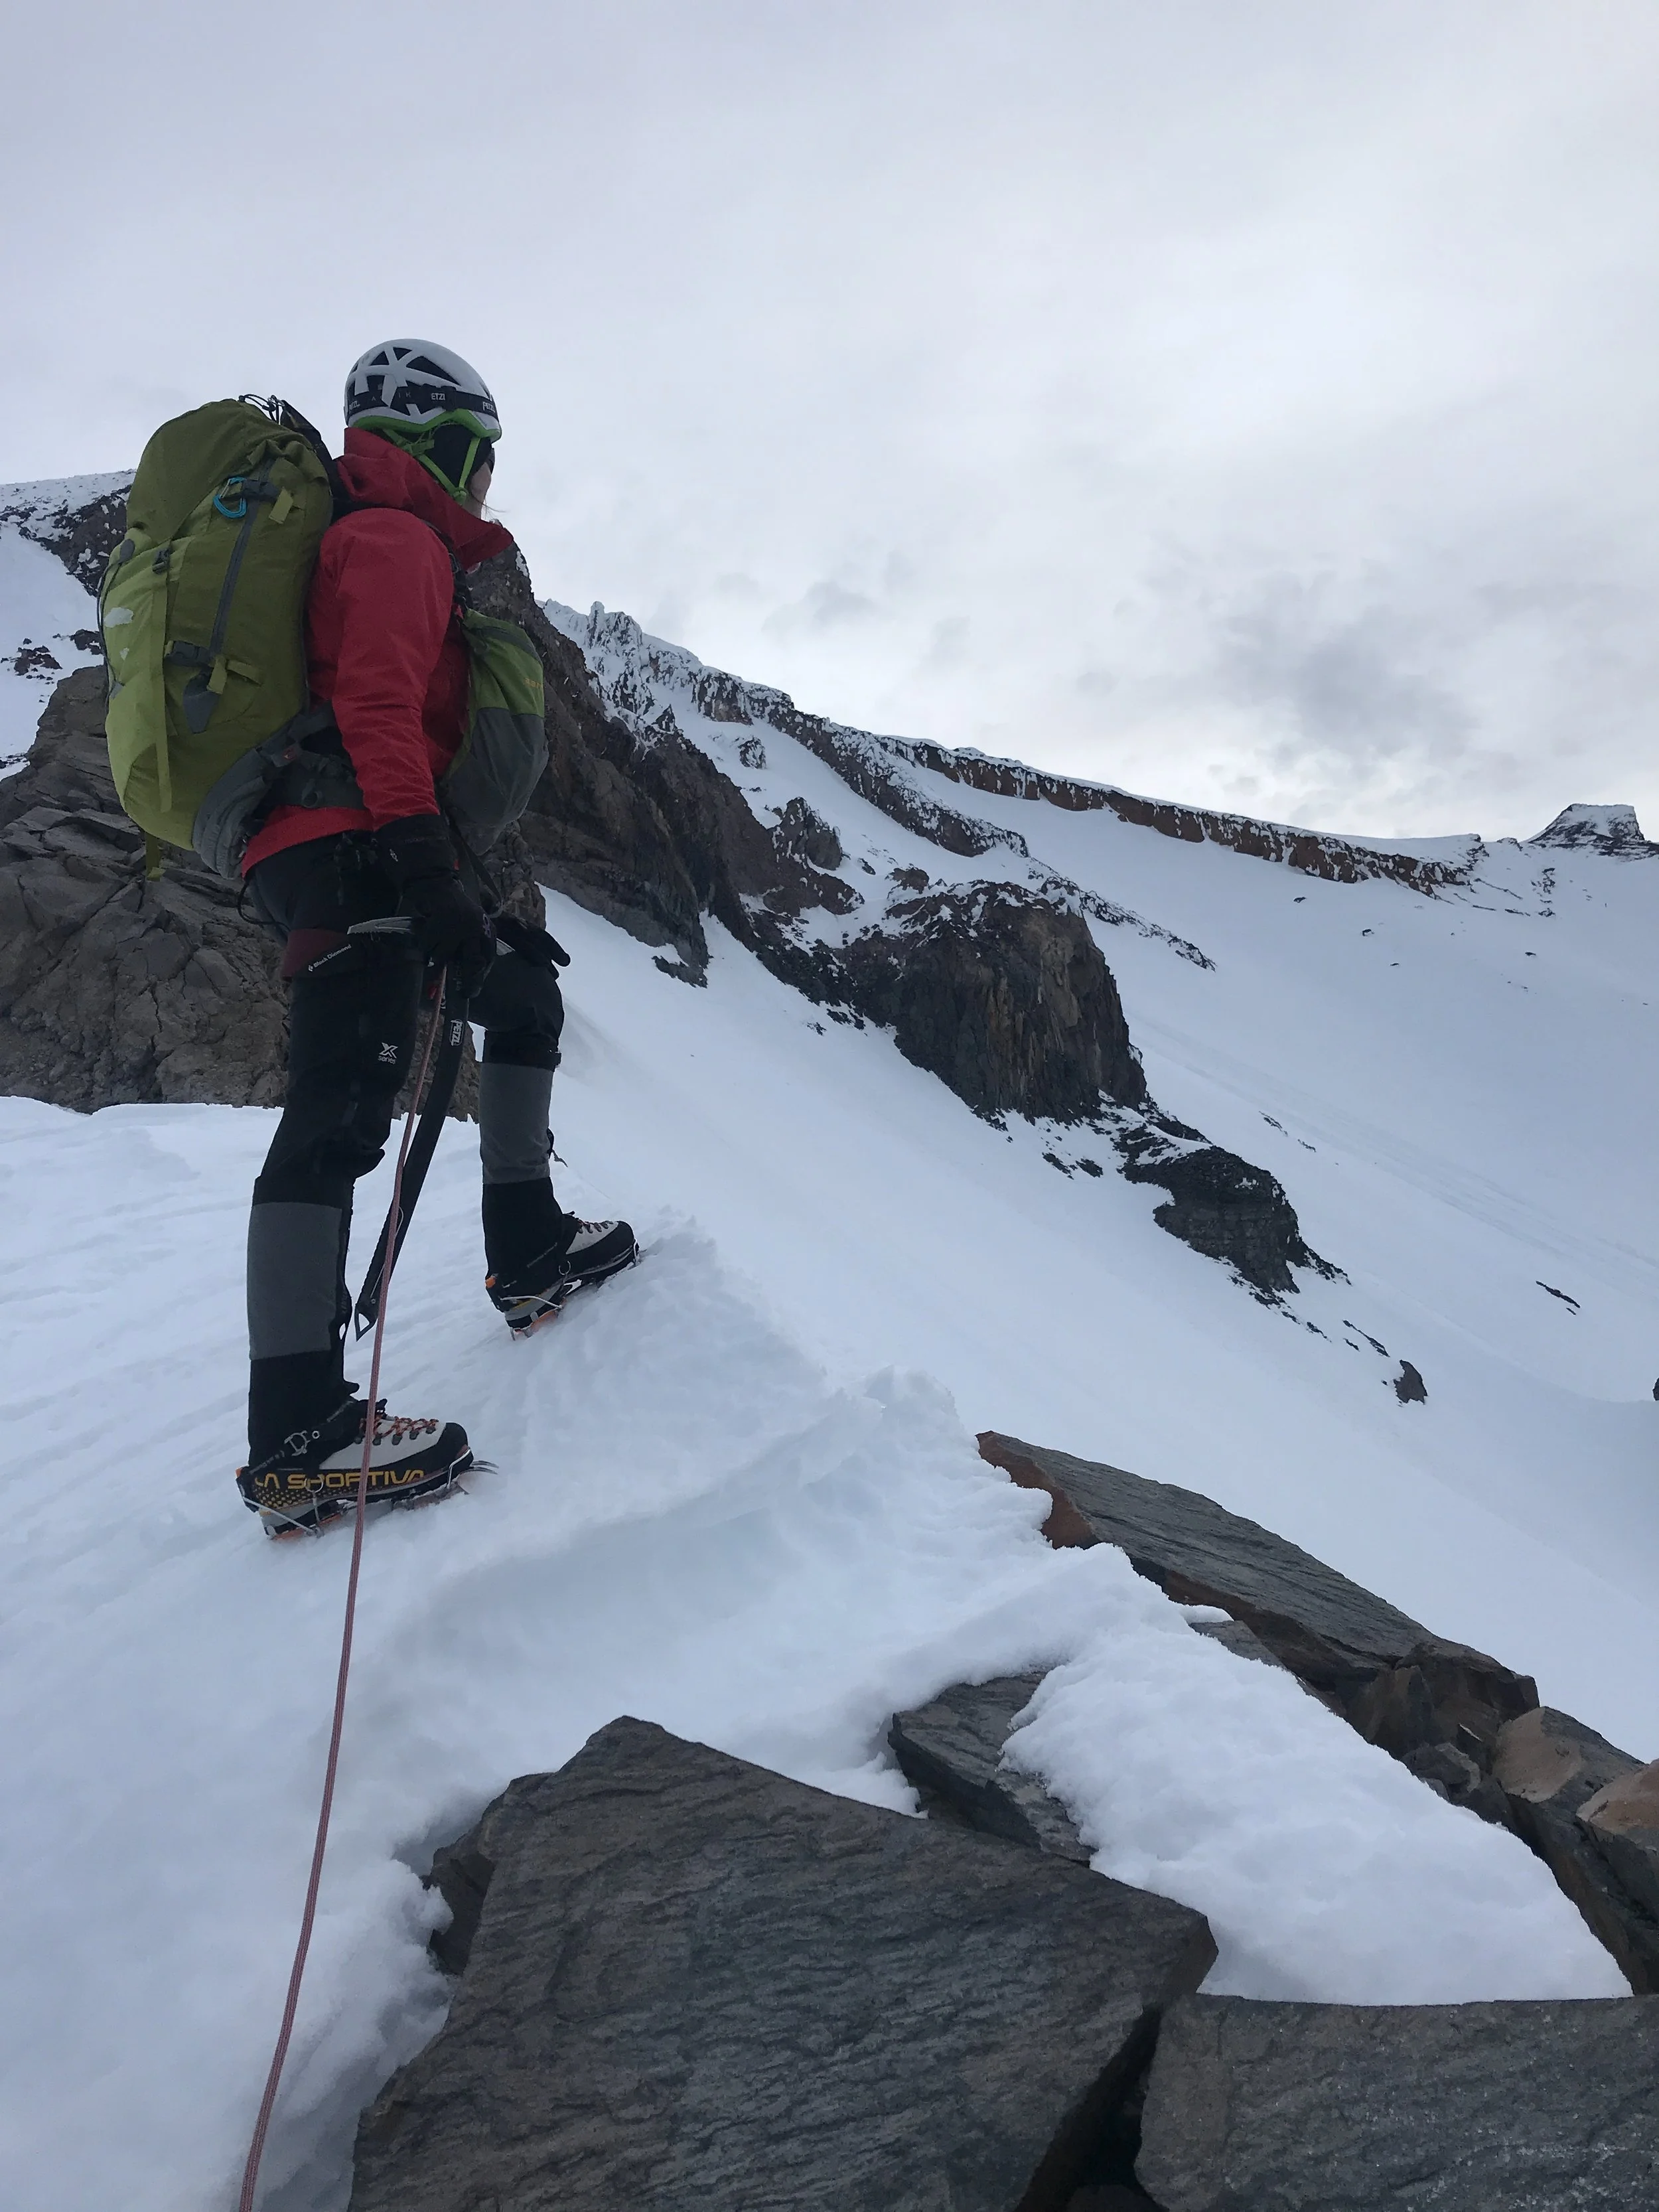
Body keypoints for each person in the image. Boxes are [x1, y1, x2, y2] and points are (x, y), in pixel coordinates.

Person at [235, 340, 636, 1527]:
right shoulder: (391, 539)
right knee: (343, 1106)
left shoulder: (388, 537)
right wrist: (421, 861)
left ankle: (528, 1248)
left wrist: (450, 883)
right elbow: (374, 704)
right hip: (355, 841)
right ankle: (298, 1428)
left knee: (517, 993)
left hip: (356, 838)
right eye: (470, 450)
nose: (481, 477)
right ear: (423, 438)